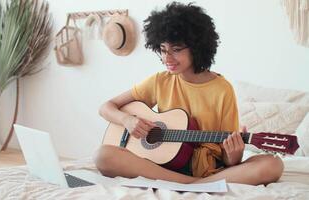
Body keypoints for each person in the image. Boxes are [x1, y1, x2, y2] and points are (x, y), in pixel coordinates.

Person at [95, 2, 283, 185]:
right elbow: (106, 108)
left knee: (273, 165)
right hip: (162, 165)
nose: (167, 58)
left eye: (176, 50)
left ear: (197, 47)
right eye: (162, 50)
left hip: (207, 168)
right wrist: (127, 120)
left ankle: (192, 182)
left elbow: (229, 161)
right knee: (102, 156)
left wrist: (234, 154)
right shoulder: (160, 81)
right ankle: (195, 184)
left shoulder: (222, 90)